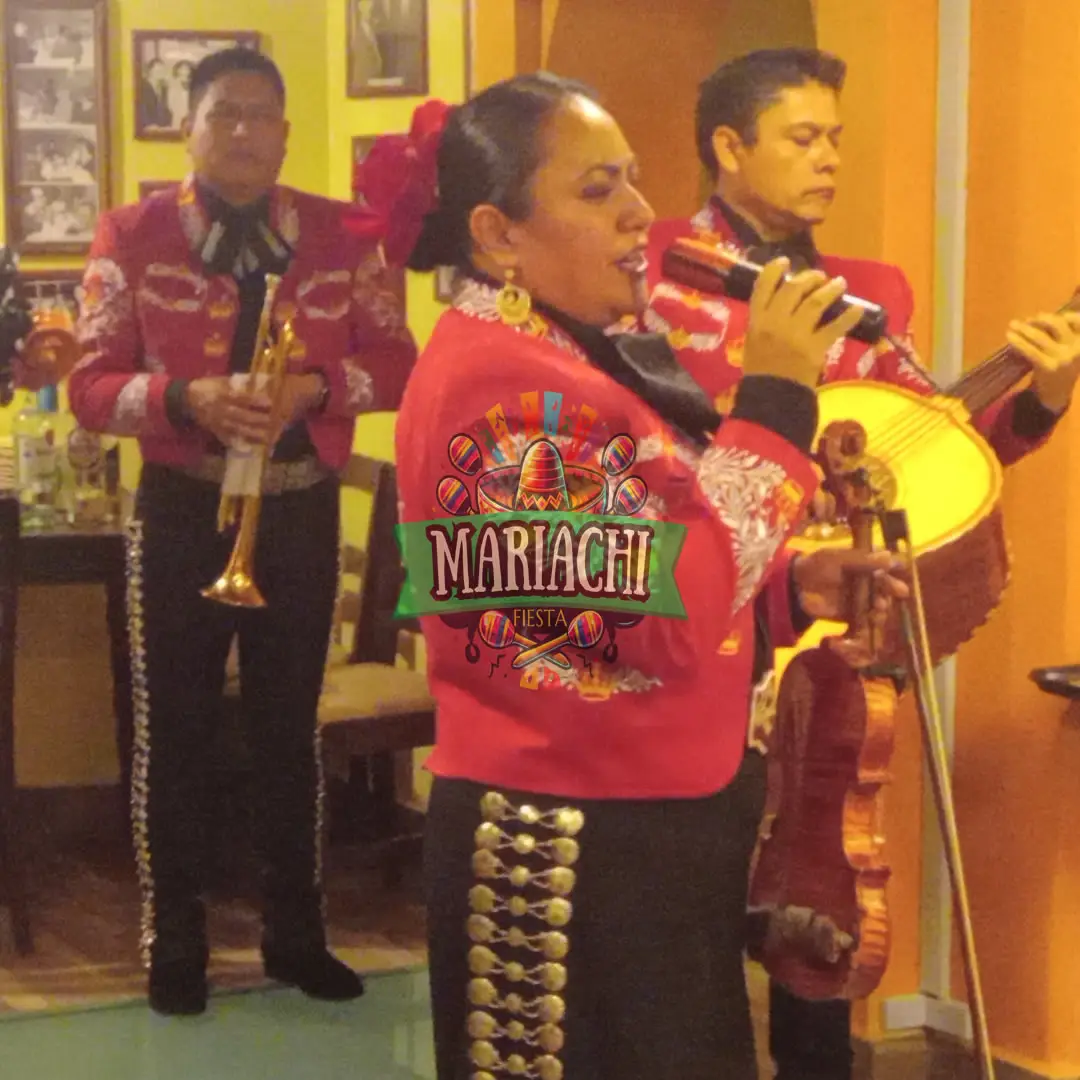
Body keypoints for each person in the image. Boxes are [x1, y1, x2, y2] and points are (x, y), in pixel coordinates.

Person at [363, 73, 908, 1080]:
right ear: (496, 234)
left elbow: (611, 597)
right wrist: (779, 396)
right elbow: (658, 619)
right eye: (597, 189)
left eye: (635, 183)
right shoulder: (504, 388)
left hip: (644, 829)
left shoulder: (577, 356)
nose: (638, 215)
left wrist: (794, 586)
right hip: (572, 846)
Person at [644, 47, 1080, 1080]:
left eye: (835, 137)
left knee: (826, 884)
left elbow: (920, 444)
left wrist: (1042, 396)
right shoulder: (657, 277)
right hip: (701, 624)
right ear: (728, 147)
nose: (829, 158)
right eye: (804, 138)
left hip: (836, 638)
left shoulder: (867, 296)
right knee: (695, 890)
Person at [67, 46, 416, 1017]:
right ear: (189, 126)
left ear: (287, 130)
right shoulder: (130, 233)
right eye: (224, 115)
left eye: (263, 115)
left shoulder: (347, 234)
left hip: (300, 503)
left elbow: (397, 360)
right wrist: (189, 398)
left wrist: (310, 389)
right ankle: (171, 940)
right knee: (171, 734)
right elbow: (89, 388)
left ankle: (296, 935)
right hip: (183, 509)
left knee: (286, 732)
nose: (245, 133)